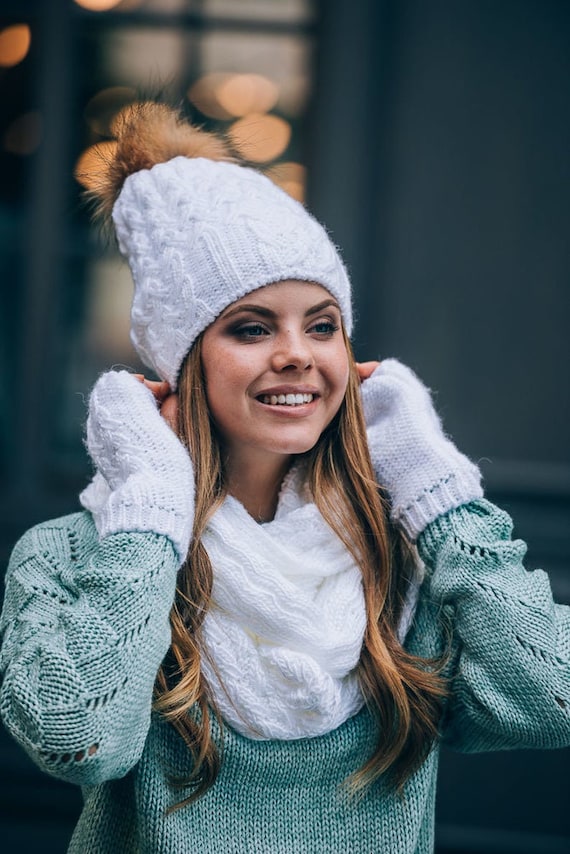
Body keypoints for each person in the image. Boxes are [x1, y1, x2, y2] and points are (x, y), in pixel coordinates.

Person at [1, 102, 569, 854]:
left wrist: (440, 494)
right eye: (252, 327)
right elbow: (79, 738)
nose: (300, 353)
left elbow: (552, 697)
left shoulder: (407, 560)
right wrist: (148, 513)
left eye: (323, 323)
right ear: (182, 361)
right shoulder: (70, 556)